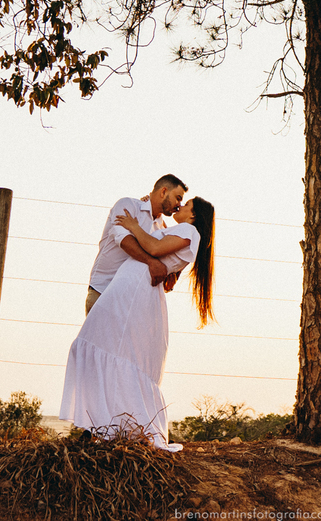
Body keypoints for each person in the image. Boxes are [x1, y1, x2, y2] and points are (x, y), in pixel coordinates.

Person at [60, 196, 216, 451]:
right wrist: (149, 212)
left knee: (109, 346)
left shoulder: (189, 232)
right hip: (131, 283)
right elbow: (157, 240)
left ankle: (107, 425)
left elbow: (154, 248)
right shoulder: (178, 230)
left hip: (134, 288)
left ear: (194, 215)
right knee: (109, 346)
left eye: (185, 204)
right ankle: (102, 424)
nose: (180, 206)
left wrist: (133, 225)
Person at [85, 174, 187, 315]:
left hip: (132, 304)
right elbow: (123, 239)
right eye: (178, 198)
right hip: (103, 291)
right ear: (163, 191)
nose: (179, 205)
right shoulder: (128, 205)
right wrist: (151, 262)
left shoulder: (162, 228)